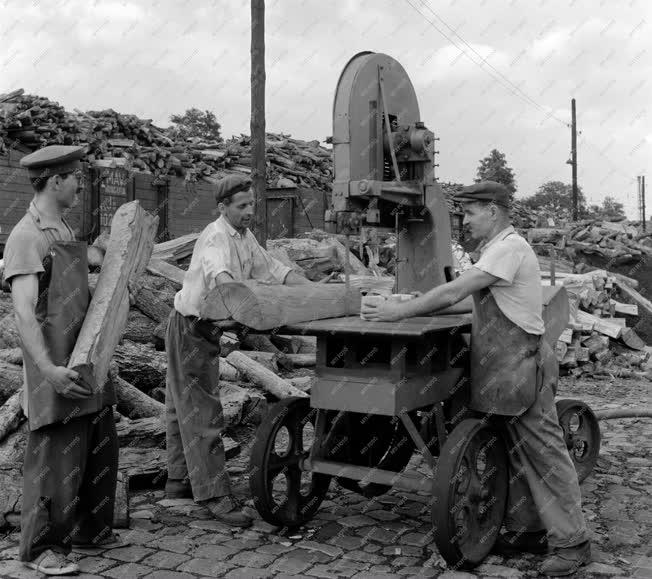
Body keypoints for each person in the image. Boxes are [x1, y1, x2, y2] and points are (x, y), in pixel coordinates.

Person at [361, 181, 591, 577]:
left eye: (469, 213)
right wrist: (407, 301)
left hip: (521, 366)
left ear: (494, 211)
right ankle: (526, 530)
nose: (465, 221)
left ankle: (573, 543)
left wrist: (397, 313)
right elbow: (474, 300)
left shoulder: (510, 248)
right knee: (516, 451)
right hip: (506, 368)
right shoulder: (495, 251)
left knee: (546, 454)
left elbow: (456, 291)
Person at [3, 145, 124, 576]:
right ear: (55, 181)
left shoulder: (61, 227)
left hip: (85, 355)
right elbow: (23, 313)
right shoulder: (26, 237)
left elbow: (78, 267)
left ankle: (91, 528)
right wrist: (49, 372)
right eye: (75, 177)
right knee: (56, 453)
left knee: (97, 442)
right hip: (54, 363)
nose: (80, 184)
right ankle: (42, 549)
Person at [166, 174, 312, 527]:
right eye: (242, 206)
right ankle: (214, 497)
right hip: (191, 328)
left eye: (251, 205)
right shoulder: (216, 237)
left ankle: (180, 481)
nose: (250, 212)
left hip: (199, 328)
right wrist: (243, 305)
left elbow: (274, 270)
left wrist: (311, 290)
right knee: (203, 411)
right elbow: (222, 277)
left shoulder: (245, 238)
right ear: (223, 207)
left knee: (180, 405)